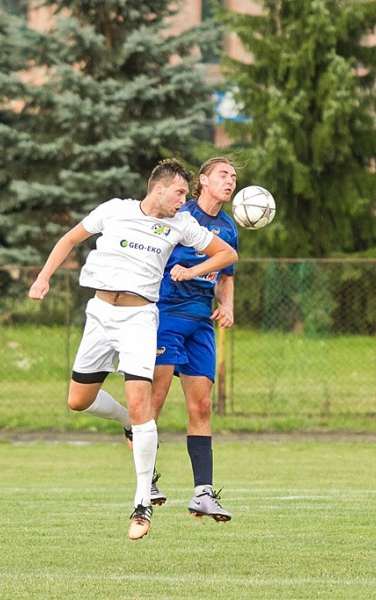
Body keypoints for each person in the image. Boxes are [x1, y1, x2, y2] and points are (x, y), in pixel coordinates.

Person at [28, 159, 238, 540]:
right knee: (78, 401)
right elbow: (70, 239)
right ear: (159, 188)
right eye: (179, 193)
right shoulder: (115, 210)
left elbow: (227, 255)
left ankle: (142, 504)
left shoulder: (181, 224)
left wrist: (191, 272)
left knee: (144, 407)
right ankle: (131, 423)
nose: (183, 201)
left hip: (141, 319)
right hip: (100, 313)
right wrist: (43, 277)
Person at [149, 157, 239, 522]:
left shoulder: (229, 228)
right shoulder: (177, 213)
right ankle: (146, 482)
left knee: (201, 409)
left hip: (201, 322)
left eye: (234, 177)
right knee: (151, 405)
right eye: (223, 175)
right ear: (203, 180)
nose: (230, 181)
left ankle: (203, 493)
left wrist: (228, 305)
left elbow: (225, 274)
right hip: (166, 316)